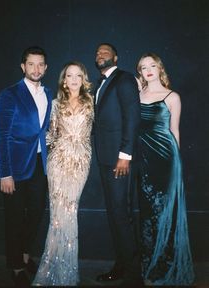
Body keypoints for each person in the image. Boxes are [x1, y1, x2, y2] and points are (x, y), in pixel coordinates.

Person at [0, 46, 52, 287]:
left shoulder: (48, 93)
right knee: (15, 217)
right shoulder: (10, 94)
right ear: (23, 67)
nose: (36, 69)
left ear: (46, 68)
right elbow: (1, 135)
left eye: (40, 65)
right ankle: (16, 265)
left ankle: (26, 253)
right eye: (31, 64)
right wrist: (4, 173)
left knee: (37, 212)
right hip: (15, 167)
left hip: (40, 163)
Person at [32, 61, 93, 286]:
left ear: (83, 79)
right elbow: (49, 135)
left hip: (81, 162)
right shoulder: (55, 104)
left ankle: (67, 270)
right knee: (58, 215)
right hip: (58, 162)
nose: (74, 79)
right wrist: (34, 153)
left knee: (70, 210)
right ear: (64, 80)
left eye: (78, 75)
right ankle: (52, 269)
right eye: (69, 75)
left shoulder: (92, 103)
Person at [136, 52, 195, 285]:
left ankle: (164, 266)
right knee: (148, 213)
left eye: (152, 65)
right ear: (139, 72)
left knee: (165, 212)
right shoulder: (137, 94)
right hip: (144, 160)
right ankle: (150, 263)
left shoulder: (172, 96)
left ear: (159, 68)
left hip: (167, 160)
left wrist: (177, 166)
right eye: (143, 67)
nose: (148, 70)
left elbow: (175, 131)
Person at [93, 43, 142, 285]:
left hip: (119, 160)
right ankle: (123, 264)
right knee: (115, 214)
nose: (100, 54)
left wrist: (125, 155)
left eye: (105, 51)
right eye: (97, 52)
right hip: (105, 159)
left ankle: (133, 275)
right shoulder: (100, 84)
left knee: (121, 214)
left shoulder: (124, 79)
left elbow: (132, 117)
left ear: (116, 57)